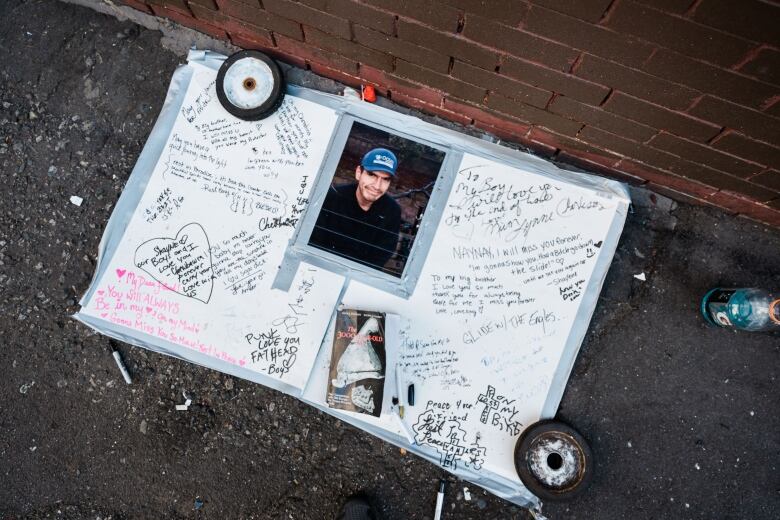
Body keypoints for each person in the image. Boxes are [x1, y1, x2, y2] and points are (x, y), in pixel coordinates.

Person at [310, 147, 402, 271]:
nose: (377, 186)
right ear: (359, 173)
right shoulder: (332, 197)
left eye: (385, 179)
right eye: (372, 175)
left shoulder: (392, 211)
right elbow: (313, 242)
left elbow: (380, 257)